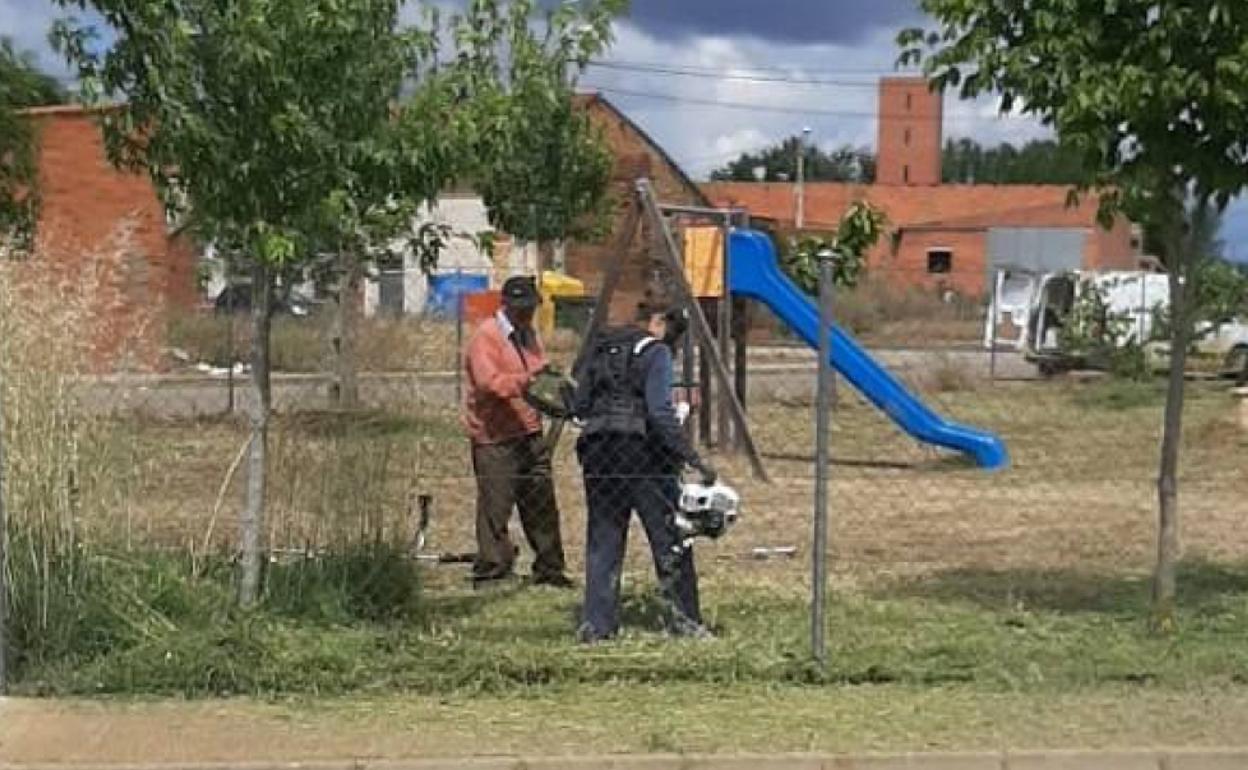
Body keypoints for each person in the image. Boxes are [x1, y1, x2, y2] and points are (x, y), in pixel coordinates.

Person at [571, 301, 718, 642]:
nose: (673, 345)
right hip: (643, 455)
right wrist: (692, 457)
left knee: (603, 540)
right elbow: (659, 413)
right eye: (675, 336)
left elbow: (578, 405)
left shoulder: (601, 346)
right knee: (671, 538)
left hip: (597, 451)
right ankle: (684, 621)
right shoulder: (655, 353)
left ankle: (596, 626)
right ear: (658, 322)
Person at [462, 275, 572, 589]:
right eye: (522, 308)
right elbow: (488, 382)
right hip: (495, 436)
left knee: (541, 503)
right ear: (506, 305)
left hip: (529, 431)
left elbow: (538, 370)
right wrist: (526, 380)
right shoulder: (486, 336)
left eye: (531, 308)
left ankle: (549, 569)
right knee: (495, 506)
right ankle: (492, 570)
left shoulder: (528, 334)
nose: (527, 314)